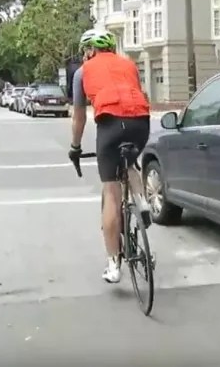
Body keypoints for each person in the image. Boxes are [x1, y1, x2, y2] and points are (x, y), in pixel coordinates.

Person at [68, 29, 152, 284]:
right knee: (129, 162)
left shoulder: (82, 72)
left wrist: (75, 147)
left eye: (86, 50)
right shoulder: (129, 65)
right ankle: (142, 202)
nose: (85, 55)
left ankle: (114, 265)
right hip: (141, 123)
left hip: (111, 125)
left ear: (91, 50)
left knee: (111, 193)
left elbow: (79, 117)